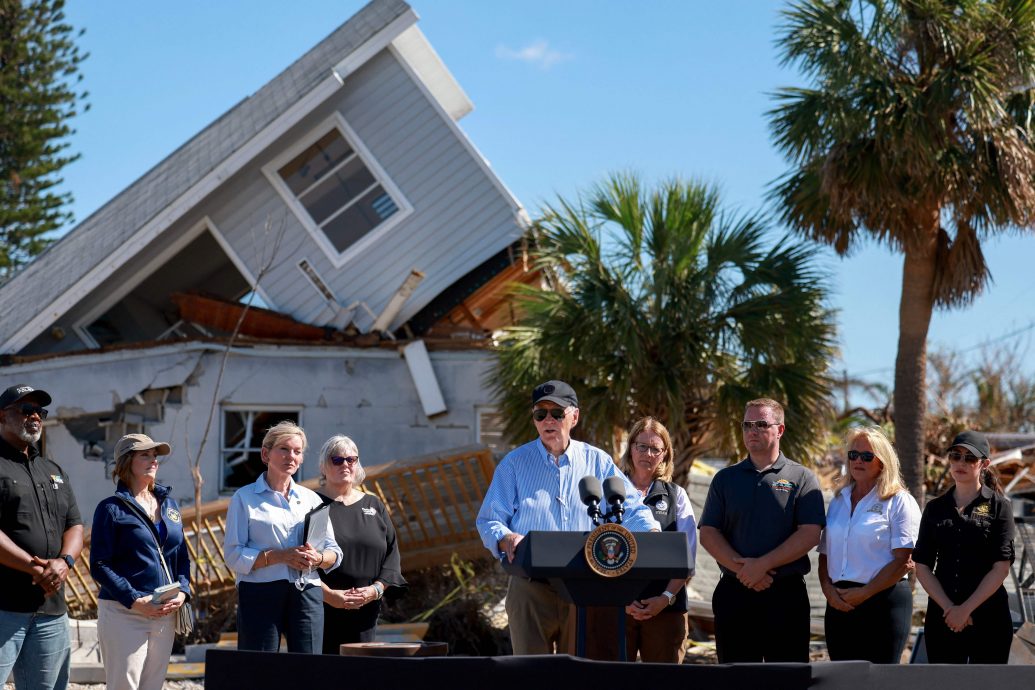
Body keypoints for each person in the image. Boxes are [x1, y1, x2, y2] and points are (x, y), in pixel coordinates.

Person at [475, 380, 660, 655]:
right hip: (530, 587)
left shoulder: (597, 461)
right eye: (541, 414)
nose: (548, 420)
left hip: (585, 586)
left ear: (574, 417)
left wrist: (652, 535)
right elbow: (489, 519)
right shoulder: (513, 464)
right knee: (530, 672)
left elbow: (632, 510)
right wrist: (505, 537)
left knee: (577, 673)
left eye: (557, 413)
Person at [698, 397, 825, 663]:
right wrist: (744, 571)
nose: (752, 430)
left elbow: (810, 533)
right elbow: (708, 532)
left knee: (787, 678)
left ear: (780, 430)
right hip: (734, 592)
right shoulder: (725, 479)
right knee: (737, 678)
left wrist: (762, 565)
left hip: (785, 596)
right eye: (747, 425)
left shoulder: (802, 477)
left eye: (761, 424)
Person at [223, 421, 342, 653]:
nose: (291, 456)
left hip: (307, 591)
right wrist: (280, 556)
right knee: (261, 668)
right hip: (260, 593)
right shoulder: (243, 498)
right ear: (265, 454)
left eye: (297, 451)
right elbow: (233, 555)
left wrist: (317, 558)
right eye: (284, 449)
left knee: (308, 668)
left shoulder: (312, 500)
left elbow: (334, 552)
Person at [90, 434, 191, 690]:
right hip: (124, 612)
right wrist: (135, 600)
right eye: (145, 455)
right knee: (124, 686)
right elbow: (99, 565)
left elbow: (181, 556)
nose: (153, 460)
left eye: (155, 455)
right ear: (127, 462)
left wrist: (183, 592)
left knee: (152, 686)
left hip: (164, 612)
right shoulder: (110, 509)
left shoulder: (169, 505)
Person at [0, 384, 83, 690]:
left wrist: (65, 562)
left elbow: (75, 525)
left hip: (50, 610)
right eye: (26, 409)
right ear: (2, 416)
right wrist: (34, 567)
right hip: (4, 607)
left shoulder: (52, 469)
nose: (35, 416)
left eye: (39, 411)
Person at [818, 426, 920, 663]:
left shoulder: (900, 501)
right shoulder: (838, 500)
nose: (858, 461)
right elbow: (825, 554)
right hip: (839, 603)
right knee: (841, 679)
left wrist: (864, 593)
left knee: (879, 680)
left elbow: (904, 560)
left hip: (883, 603)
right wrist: (828, 592)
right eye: (853, 455)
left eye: (867, 456)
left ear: (882, 462)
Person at [914, 430, 1015, 664]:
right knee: (945, 681)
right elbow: (922, 565)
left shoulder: (1000, 507)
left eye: (970, 458)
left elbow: (1001, 567)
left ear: (984, 464)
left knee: (988, 682)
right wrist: (951, 609)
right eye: (955, 456)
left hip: (990, 618)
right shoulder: (935, 508)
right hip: (943, 616)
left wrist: (966, 609)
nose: (961, 462)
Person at [315, 435, 405, 654]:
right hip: (322, 610)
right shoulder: (313, 505)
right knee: (324, 671)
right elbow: (303, 563)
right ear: (324, 466)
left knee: (361, 670)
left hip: (366, 611)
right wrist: (331, 596)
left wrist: (375, 590)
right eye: (337, 460)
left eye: (351, 459)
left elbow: (392, 554)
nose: (345, 464)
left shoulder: (374, 504)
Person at [620, 417, 697, 663]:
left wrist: (665, 598)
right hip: (616, 609)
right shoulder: (609, 492)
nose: (648, 454)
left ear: (665, 455)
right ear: (631, 448)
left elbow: (687, 557)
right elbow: (595, 550)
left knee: (663, 681)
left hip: (666, 611)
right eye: (642, 446)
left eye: (655, 449)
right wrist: (620, 599)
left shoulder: (677, 496)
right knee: (610, 679)